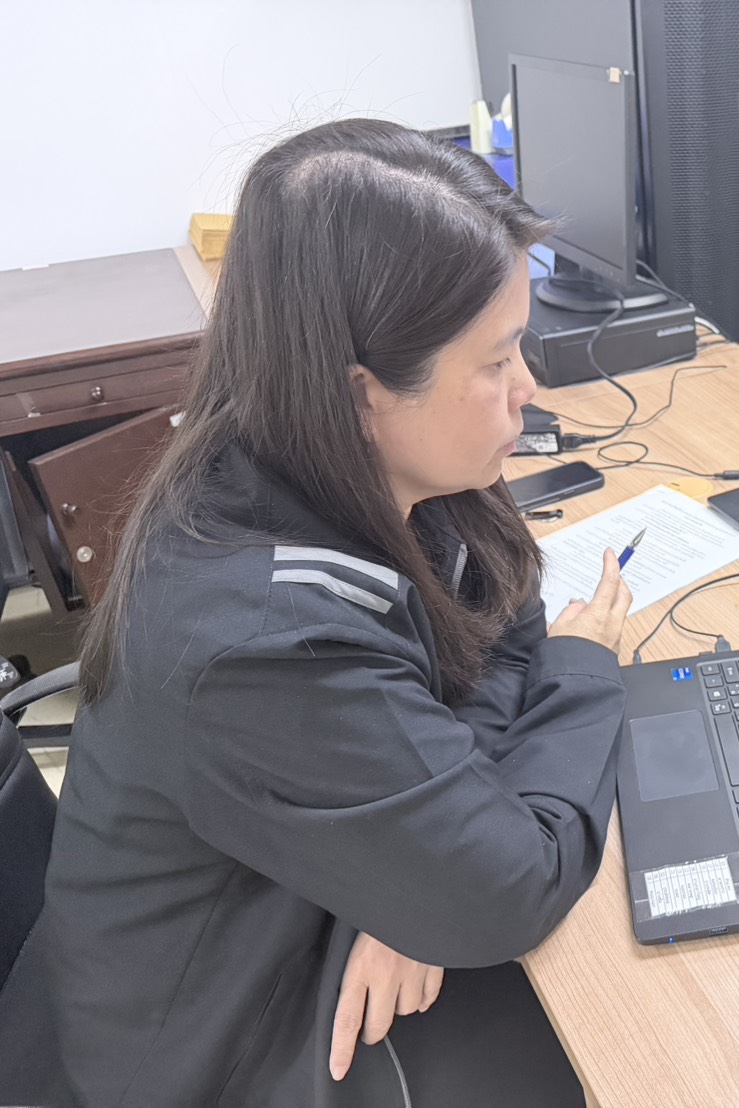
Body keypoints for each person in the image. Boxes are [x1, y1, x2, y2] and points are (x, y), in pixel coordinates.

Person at [13, 120, 632, 1106]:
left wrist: (416, 873)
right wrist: (589, 666)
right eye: (496, 359)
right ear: (361, 393)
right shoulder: (259, 642)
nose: (529, 388)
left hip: (297, 898)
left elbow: (501, 622)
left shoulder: (354, 464)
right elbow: (510, 891)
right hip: (204, 1046)